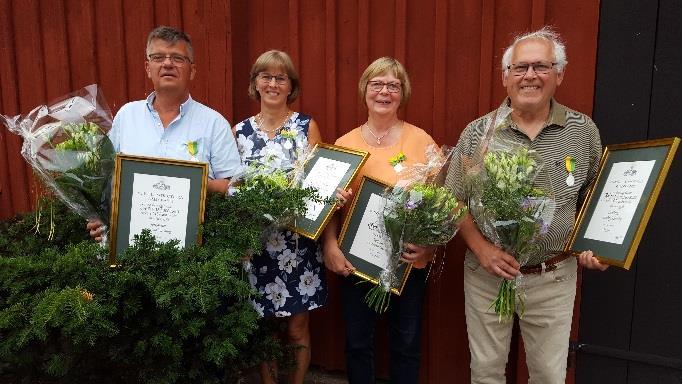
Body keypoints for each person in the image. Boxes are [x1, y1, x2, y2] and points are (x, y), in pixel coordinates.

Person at [444, 27, 608, 384]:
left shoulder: (582, 131)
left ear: (559, 74)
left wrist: (597, 245)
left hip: (553, 276)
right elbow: (454, 199)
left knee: (549, 376)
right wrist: (482, 249)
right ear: (505, 77)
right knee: (486, 372)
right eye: (520, 68)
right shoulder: (478, 132)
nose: (530, 76)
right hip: (488, 275)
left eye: (541, 66)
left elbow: (597, 198)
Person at [322, 57, 436, 384]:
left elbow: (441, 202)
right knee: (358, 344)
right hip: (354, 262)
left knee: (406, 343)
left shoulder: (421, 141)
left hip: (406, 262)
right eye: (377, 84)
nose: (384, 92)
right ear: (365, 91)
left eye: (393, 85)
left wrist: (427, 248)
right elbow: (331, 206)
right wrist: (330, 245)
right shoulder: (345, 145)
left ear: (403, 93)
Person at [87, 26, 241, 240]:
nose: (168, 63)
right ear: (148, 67)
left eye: (178, 58)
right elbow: (105, 180)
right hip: (129, 248)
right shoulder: (126, 116)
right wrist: (99, 216)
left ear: (192, 70)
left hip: (194, 253)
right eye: (158, 57)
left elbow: (233, 186)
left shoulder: (214, 123)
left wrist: (191, 183)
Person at [233, 50, 326, 384]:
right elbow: (233, 189)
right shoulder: (239, 132)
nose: (272, 84)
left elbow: (321, 183)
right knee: (266, 324)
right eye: (265, 76)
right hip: (255, 244)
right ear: (255, 84)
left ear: (291, 86)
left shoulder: (306, 126)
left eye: (280, 78)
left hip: (297, 242)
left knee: (297, 326)